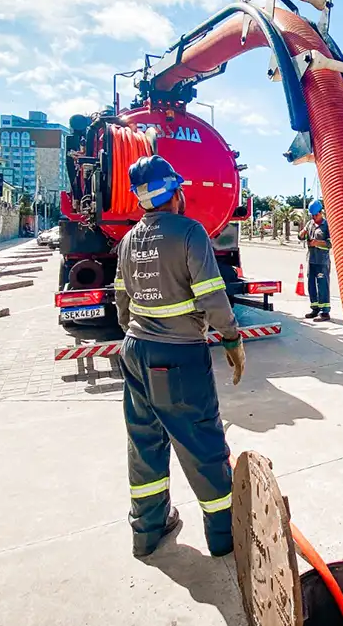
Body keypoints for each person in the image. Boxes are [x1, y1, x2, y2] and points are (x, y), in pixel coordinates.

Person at [113, 155, 247, 560]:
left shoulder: (128, 241)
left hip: (134, 352)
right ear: (175, 192)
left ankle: (147, 531)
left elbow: (122, 300)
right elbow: (212, 294)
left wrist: (138, 334)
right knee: (202, 445)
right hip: (180, 357)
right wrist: (231, 340)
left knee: (145, 443)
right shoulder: (190, 232)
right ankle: (224, 536)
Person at [298, 199, 332, 322]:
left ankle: (325, 312)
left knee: (322, 285)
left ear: (321, 212)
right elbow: (301, 237)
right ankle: (315, 308)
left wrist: (318, 242)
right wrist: (302, 234)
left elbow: (330, 244)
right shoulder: (310, 224)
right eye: (312, 215)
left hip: (322, 261)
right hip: (311, 260)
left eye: (316, 214)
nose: (314, 217)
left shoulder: (327, 225)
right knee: (311, 285)